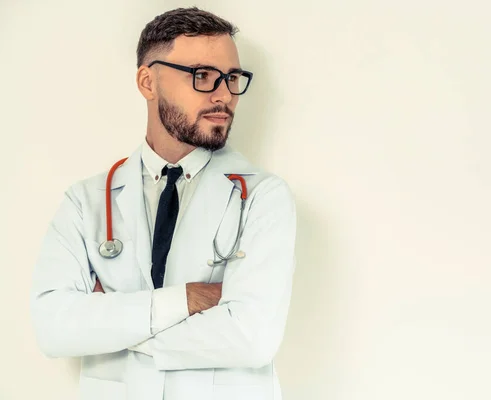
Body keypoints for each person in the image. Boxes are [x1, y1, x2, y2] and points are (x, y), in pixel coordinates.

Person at [30, 7, 297, 400]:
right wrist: (189, 299)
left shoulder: (263, 197)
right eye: (202, 76)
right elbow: (53, 328)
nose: (224, 95)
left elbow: (251, 336)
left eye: (232, 78)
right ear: (147, 81)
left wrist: (113, 325)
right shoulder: (85, 201)